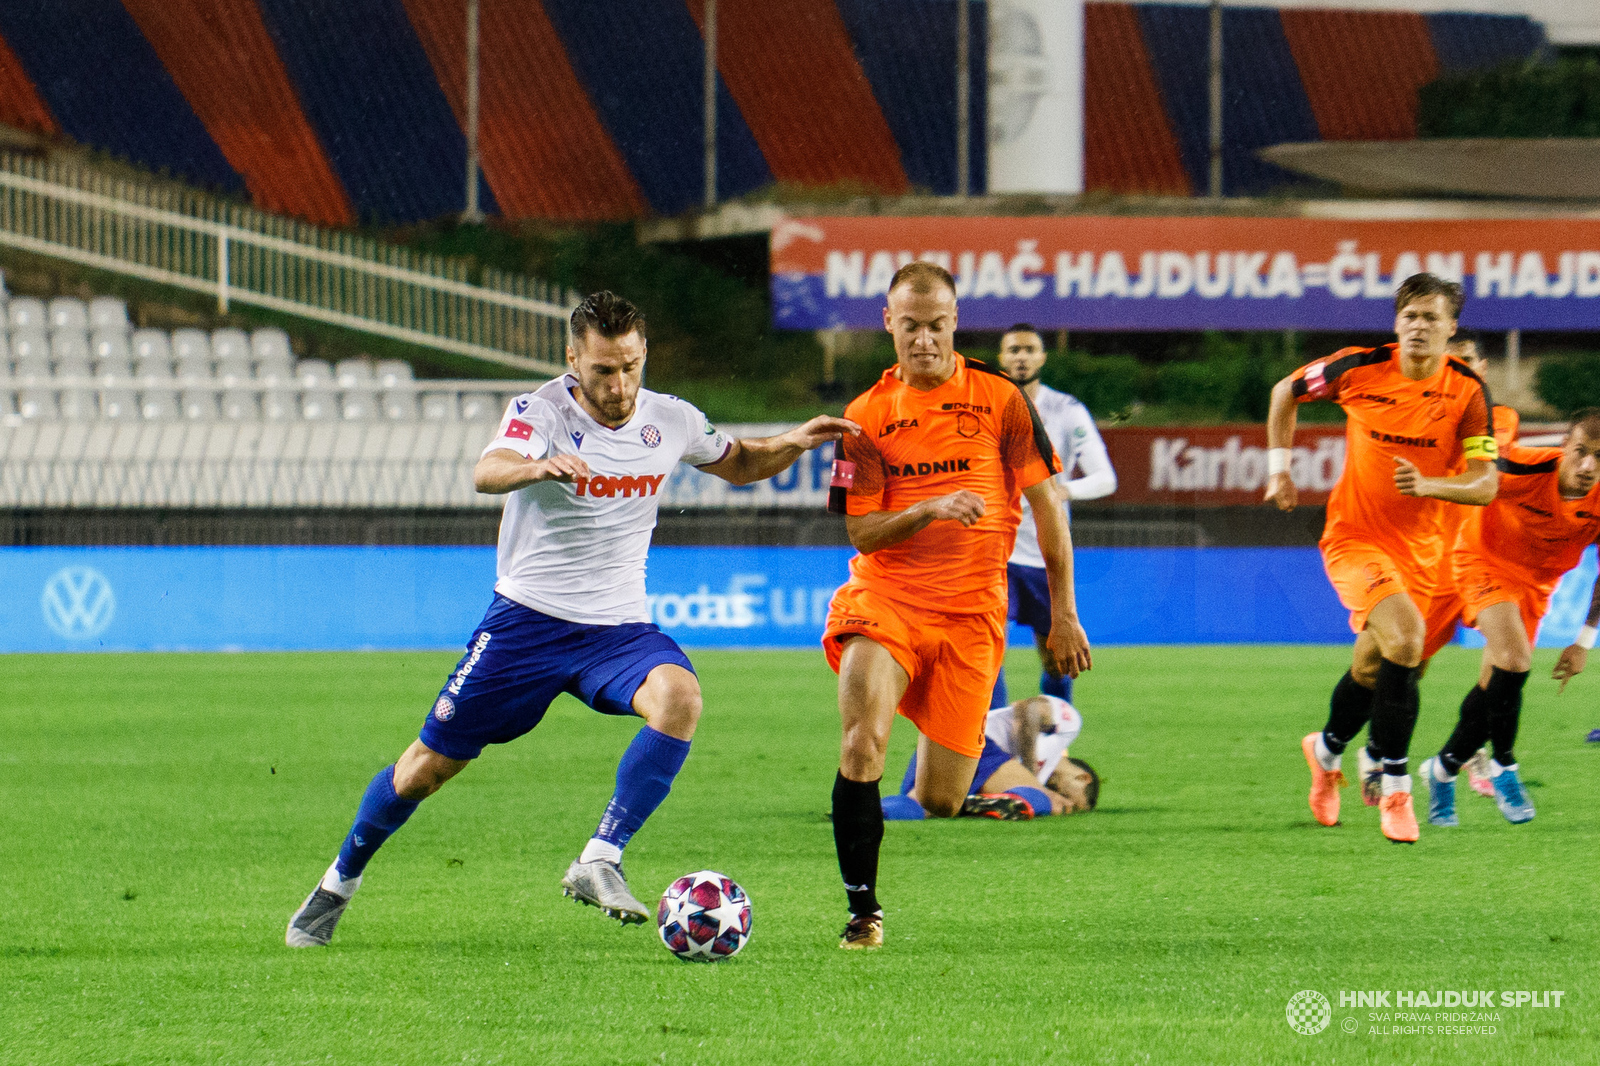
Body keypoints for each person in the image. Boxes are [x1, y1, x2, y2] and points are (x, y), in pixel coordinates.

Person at [287, 291, 857, 946]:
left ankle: (600, 858)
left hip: (616, 630)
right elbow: (487, 469)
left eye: (631, 367)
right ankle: (339, 882)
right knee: (425, 769)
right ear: (572, 361)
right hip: (527, 624)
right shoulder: (540, 411)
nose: (619, 387)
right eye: (603, 371)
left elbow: (741, 463)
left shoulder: (670, 419)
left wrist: (792, 441)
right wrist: (536, 467)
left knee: (680, 697)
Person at [823, 260, 1092, 949]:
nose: (923, 340)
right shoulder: (863, 419)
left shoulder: (1002, 401)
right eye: (909, 326)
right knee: (862, 742)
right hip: (886, 601)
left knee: (941, 799)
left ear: (955, 322)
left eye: (936, 325)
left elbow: (1048, 509)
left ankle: (997, 738)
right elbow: (859, 530)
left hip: (973, 616)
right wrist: (930, 509)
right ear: (888, 323)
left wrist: (1063, 614)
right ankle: (863, 911)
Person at [1266, 273, 1498, 843]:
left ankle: (1324, 751)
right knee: (1406, 640)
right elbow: (1283, 393)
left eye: (1431, 318)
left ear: (1451, 328)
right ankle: (1395, 787)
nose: (1419, 327)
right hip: (1355, 539)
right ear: (1397, 323)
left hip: (1423, 551)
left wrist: (1430, 485)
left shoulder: (1467, 390)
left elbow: (1486, 483)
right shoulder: (1358, 367)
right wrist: (1279, 468)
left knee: (1379, 668)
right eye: (1410, 316)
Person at [1418, 410, 1600, 827]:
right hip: (1484, 561)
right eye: (1580, 452)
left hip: (1537, 586)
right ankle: (1504, 765)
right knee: (1516, 661)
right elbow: (1477, 477)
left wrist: (1583, 641)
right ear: (1563, 448)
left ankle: (1442, 770)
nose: (1589, 466)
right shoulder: (1521, 466)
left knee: (1493, 691)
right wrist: (1429, 483)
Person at [993, 325, 1116, 708]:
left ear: (1043, 357)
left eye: (1030, 349)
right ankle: (990, 745)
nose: (1021, 357)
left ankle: (1052, 747)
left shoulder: (1066, 411)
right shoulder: (986, 406)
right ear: (1002, 358)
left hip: (1045, 553)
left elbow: (1104, 478)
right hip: (996, 549)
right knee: (985, 650)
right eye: (1014, 350)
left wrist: (1062, 491)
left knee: (1057, 660)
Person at [1419, 335, 1519, 799]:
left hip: (1485, 554)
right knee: (1410, 662)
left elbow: (1495, 473)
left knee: (1500, 663)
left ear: (1482, 366)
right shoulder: (1426, 413)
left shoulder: (1503, 419)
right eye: (1454, 361)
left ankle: (1471, 751)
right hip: (1438, 553)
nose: (1464, 368)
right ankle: (1376, 750)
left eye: (1470, 361)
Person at [881, 694, 1100, 821]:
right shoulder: (1071, 725)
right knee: (1044, 799)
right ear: (1083, 778)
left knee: (919, 804)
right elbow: (1028, 709)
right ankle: (1000, 802)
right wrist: (1032, 777)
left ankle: (867, 811)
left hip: (940, 740)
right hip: (978, 738)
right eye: (1074, 798)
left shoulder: (1029, 766)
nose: (1067, 798)